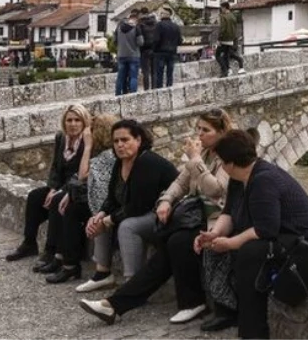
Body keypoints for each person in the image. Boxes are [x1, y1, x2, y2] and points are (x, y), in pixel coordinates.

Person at [80, 109, 234, 325]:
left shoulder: (228, 156)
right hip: (195, 217)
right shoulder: (206, 154)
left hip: (218, 221)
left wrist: (196, 160)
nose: (199, 134)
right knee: (170, 245)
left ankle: (190, 303)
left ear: (222, 132)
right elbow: (180, 182)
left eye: (205, 130)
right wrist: (166, 200)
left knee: (176, 243)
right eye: (198, 128)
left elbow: (215, 190)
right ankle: (114, 305)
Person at [190, 130, 308, 339]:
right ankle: (228, 311)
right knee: (223, 249)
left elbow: (265, 230)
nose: (220, 164)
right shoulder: (239, 178)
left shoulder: (264, 180)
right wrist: (215, 233)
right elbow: (229, 213)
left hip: (305, 242)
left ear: (230, 163)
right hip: (279, 235)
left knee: (250, 254)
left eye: (220, 160)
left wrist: (228, 243)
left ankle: (253, 332)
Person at [83, 120, 179, 285]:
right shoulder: (120, 162)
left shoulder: (147, 162)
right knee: (99, 219)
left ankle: (132, 282)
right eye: (116, 141)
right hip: (142, 210)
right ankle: (102, 273)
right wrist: (101, 214)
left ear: (138, 140)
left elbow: (139, 205)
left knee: (127, 226)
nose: (120, 145)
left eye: (125, 140)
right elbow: (112, 197)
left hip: (165, 213)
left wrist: (108, 220)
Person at [5, 105, 92, 272]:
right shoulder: (61, 138)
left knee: (56, 201)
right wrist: (52, 187)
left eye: (77, 120)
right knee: (35, 196)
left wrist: (62, 190)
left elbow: (82, 174)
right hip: (60, 184)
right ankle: (29, 242)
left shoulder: (88, 142)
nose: (73, 124)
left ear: (84, 122)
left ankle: (51, 249)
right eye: (69, 120)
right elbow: (55, 167)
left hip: (76, 187)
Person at [68, 114, 120, 293]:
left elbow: (82, 175)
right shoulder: (108, 153)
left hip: (112, 207)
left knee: (94, 216)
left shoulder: (108, 155)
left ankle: (101, 272)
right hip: (107, 204)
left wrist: (88, 146)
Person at [115, 10, 143, 95]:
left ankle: (118, 94)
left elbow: (114, 40)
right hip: (134, 55)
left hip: (121, 55)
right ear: (136, 19)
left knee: (120, 77)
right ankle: (132, 94)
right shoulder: (136, 28)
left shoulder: (119, 27)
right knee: (133, 77)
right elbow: (140, 42)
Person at [153, 8, 182, 88]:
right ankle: (169, 87)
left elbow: (156, 39)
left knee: (160, 72)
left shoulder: (159, 25)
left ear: (165, 14)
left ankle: (159, 89)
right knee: (170, 72)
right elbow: (180, 41)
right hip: (172, 52)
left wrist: (154, 49)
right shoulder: (176, 26)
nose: (160, 14)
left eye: (161, 13)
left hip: (160, 52)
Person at [216, 1, 245, 77]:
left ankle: (225, 70)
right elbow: (235, 27)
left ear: (224, 7)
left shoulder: (223, 16)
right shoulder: (233, 16)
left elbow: (223, 28)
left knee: (218, 55)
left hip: (224, 39)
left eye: (221, 8)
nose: (221, 9)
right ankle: (228, 70)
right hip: (231, 39)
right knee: (226, 55)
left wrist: (219, 39)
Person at [138, 8, 160, 90]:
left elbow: (139, 39)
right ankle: (154, 88)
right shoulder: (156, 24)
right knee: (154, 71)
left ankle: (146, 89)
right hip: (155, 50)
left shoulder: (140, 24)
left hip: (144, 50)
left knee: (146, 72)